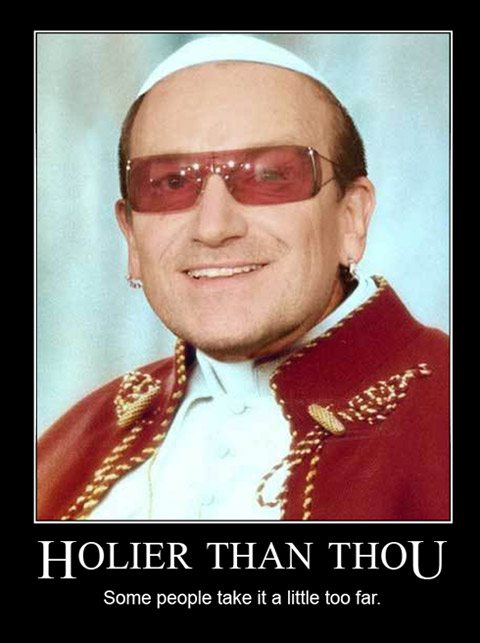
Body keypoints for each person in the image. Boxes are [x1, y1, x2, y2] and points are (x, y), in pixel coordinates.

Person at [37, 35, 449, 521]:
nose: (214, 227)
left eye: (269, 176)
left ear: (350, 218)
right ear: (132, 238)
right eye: (171, 182)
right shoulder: (73, 445)